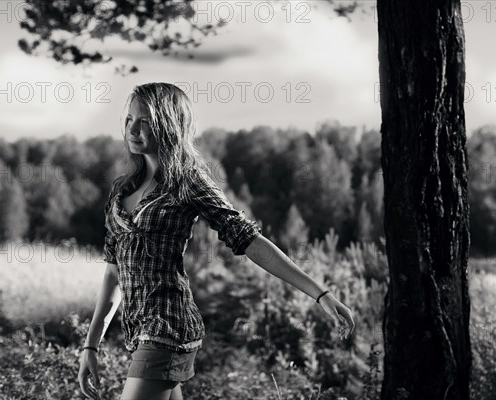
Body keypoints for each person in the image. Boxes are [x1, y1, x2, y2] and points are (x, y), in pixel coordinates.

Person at [77, 82, 355, 400]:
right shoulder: (121, 191)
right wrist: (91, 345)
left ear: (168, 125)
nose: (133, 129)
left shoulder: (188, 180)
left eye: (145, 121)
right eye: (129, 119)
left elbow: (249, 240)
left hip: (168, 327)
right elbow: (114, 273)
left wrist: (320, 294)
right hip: (139, 332)